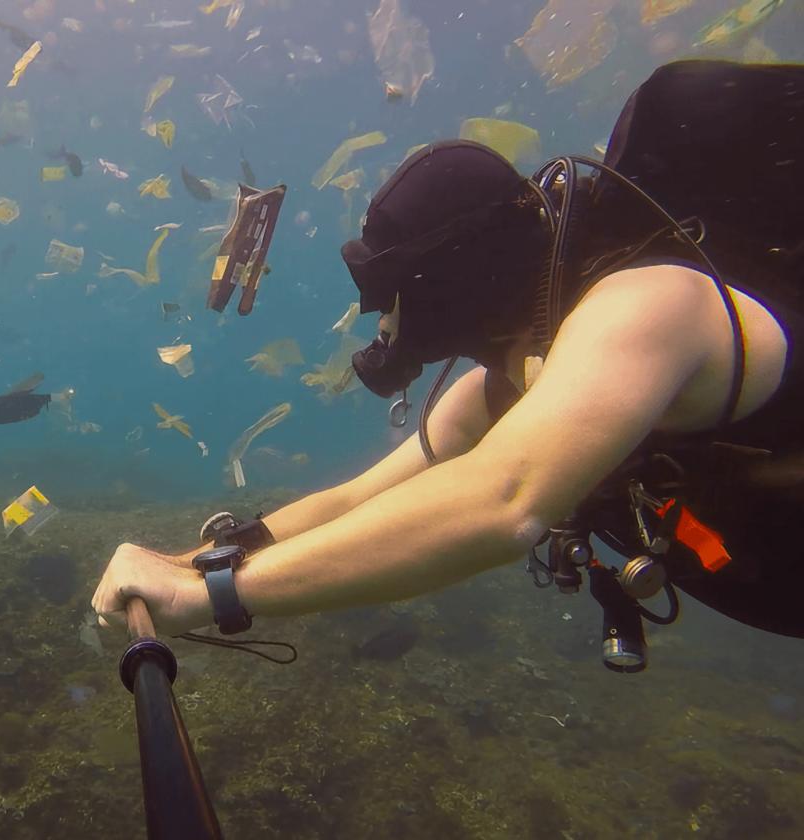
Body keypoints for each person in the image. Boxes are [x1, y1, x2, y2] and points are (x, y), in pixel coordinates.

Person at [92, 60, 804, 663]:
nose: (380, 320)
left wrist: (208, 599)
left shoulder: (654, 306)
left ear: (447, 280)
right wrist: (188, 563)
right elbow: (352, 501)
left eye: (385, 292)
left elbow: (503, 502)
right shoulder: (511, 386)